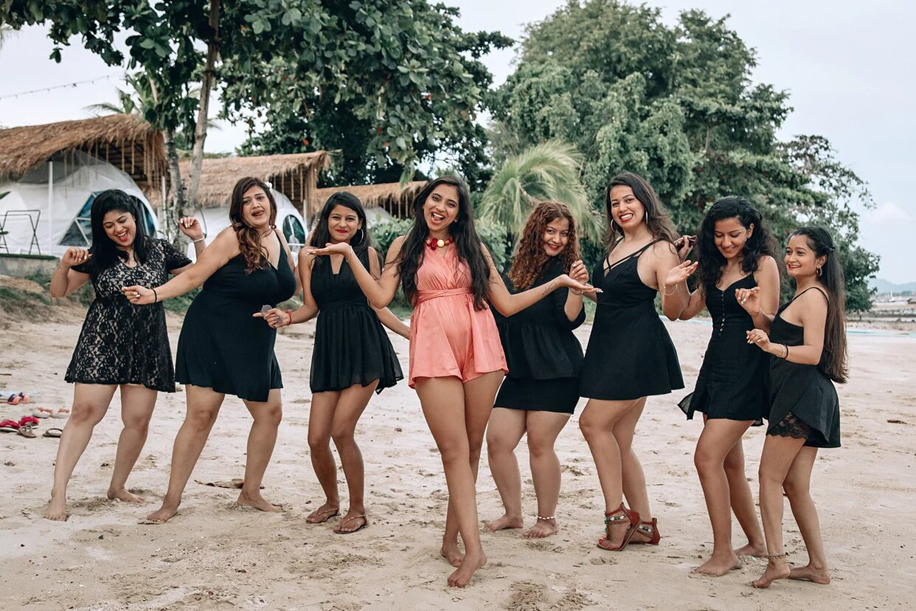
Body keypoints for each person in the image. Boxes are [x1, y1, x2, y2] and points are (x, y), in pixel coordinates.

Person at [305, 176, 595, 587]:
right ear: (424, 202)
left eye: (451, 204)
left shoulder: (473, 247)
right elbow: (380, 298)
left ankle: (450, 540)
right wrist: (350, 255)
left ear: (460, 213)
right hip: (434, 345)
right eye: (435, 199)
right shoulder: (404, 245)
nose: (441, 208)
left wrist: (560, 283)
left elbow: (507, 305)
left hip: (481, 345)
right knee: (454, 451)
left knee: (471, 449)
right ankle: (474, 550)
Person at [123, 177, 297, 524]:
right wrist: (153, 294)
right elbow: (194, 277)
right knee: (201, 416)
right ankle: (170, 501)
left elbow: (290, 285)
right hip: (212, 330)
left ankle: (250, 493)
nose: (255, 205)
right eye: (246, 201)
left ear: (271, 202)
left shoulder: (278, 236)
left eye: (259, 198)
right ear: (238, 210)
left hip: (255, 337)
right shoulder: (232, 237)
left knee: (270, 414)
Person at [45, 189, 204, 520]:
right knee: (84, 413)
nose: (118, 229)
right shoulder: (96, 256)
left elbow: (200, 276)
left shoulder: (160, 250)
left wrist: (198, 239)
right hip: (101, 343)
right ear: (101, 229)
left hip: (147, 344)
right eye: (108, 225)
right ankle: (58, 493)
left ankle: (117, 486)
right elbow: (59, 291)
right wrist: (64, 266)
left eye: (122, 220)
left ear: (135, 217)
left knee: (137, 421)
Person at [258, 192, 408, 534]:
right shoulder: (309, 256)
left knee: (342, 430)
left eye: (350, 218)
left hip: (365, 347)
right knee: (316, 438)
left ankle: (358, 509)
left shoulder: (368, 255)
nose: (343, 223)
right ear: (326, 219)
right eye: (336, 217)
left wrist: (411, 333)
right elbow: (310, 307)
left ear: (359, 224)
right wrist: (286, 317)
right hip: (329, 349)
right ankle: (331, 501)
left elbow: (378, 304)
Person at [579, 171, 693, 551]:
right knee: (619, 440)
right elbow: (612, 298)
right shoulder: (616, 246)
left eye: (629, 199)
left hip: (637, 349)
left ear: (644, 201)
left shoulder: (660, 250)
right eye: (615, 203)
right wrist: (581, 287)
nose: (622, 207)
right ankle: (643, 525)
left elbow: (674, 312)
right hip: (609, 346)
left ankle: (617, 518)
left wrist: (672, 284)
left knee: (592, 424)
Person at [671, 196, 778, 574]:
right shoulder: (713, 267)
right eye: (719, 235)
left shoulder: (764, 265)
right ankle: (756, 542)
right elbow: (684, 311)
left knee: (706, 457)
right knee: (730, 463)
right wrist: (675, 275)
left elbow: (771, 326)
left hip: (748, 369)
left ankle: (723, 553)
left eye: (734, 234)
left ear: (750, 230)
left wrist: (755, 312)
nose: (726, 242)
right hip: (715, 368)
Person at [744, 227, 845, 589]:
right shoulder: (805, 293)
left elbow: (813, 353)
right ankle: (817, 566)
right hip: (805, 394)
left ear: (820, 261)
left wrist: (773, 348)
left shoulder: (814, 297)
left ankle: (776, 561)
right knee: (795, 485)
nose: (790, 258)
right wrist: (759, 315)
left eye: (800, 253)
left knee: (769, 477)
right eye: (788, 251)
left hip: (802, 394)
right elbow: (789, 331)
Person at [484, 202, 589, 539]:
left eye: (564, 233)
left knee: (540, 444)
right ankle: (513, 514)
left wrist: (575, 288)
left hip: (557, 370)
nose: (557, 239)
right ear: (535, 231)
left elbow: (569, 319)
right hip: (519, 372)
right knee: (497, 441)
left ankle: (547, 518)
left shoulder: (566, 270)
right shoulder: (515, 268)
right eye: (550, 230)